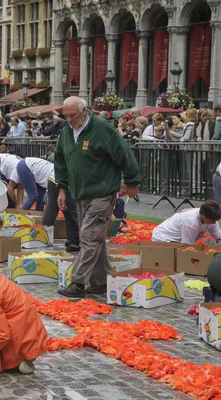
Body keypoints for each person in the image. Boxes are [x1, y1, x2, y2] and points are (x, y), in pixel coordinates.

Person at [55, 96, 140, 298]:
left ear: (84, 111)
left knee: (89, 236)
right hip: (80, 192)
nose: (69, 119)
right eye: (66, 116)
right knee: (95, 238)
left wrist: (132, 181)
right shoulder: (67, 131)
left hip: (102, 191)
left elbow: (124, 153)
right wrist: (62, 188)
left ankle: (78, 282)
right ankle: (101, 280)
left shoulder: (101, 128)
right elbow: (61, 161)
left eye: (73, 115)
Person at [152, 201, 221, 245]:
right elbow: (186, 247)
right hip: (163, 238)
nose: (214, 223)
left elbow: (219, 239)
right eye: (212, 220)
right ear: (203, 216)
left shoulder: (211, 219)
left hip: (179, 239)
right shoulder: (191, 222)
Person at [42, 170, 80, 252]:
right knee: (78, 213)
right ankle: (91, 243)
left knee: (65, 211)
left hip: (54, 180)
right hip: (65, 182)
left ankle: (73, 242)